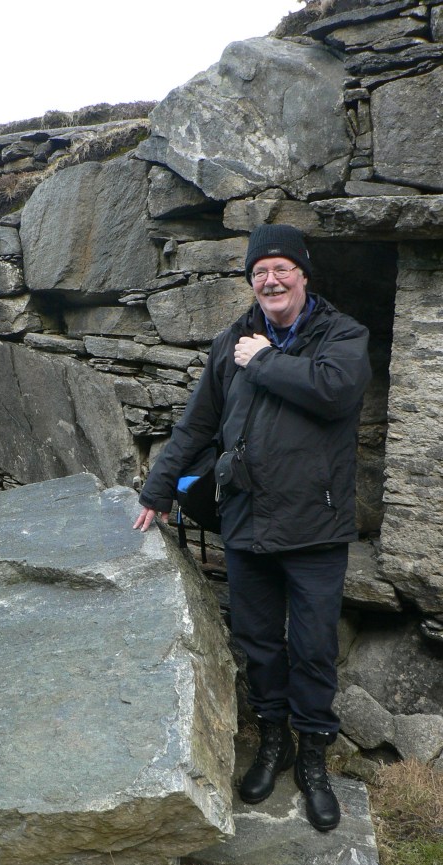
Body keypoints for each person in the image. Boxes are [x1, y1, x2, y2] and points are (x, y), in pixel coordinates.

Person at [133, 224, 371, 832]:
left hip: (315, 525)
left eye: (281, 268)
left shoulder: (341, 335)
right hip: (246, 519)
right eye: (259, 271)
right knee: (259, 643)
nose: (270, 280)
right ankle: (274, 742)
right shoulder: (231, 340)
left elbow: (335, 393)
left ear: (303, 274)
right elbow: (197, 423)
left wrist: (264, 361)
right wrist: (159, 488)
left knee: (313, 648)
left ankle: (313, 757)